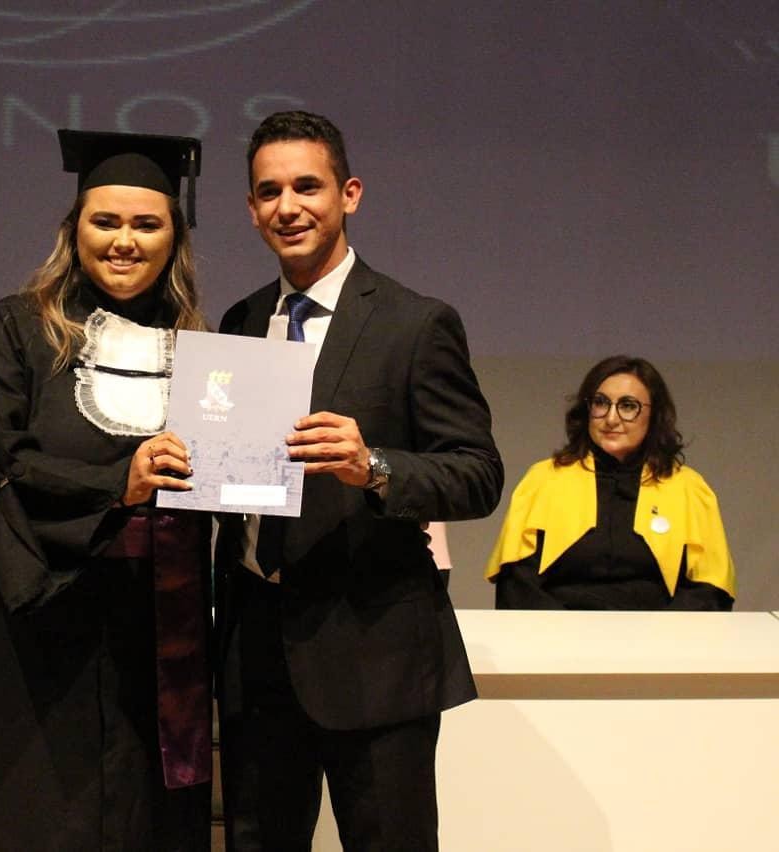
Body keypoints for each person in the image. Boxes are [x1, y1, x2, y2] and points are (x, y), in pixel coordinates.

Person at [213, 110, 503, 851]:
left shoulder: (415, 323)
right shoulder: (240, 322)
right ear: (251, 209)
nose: (288, 206)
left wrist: (373, 465)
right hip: (256, 647)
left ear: (350, 194)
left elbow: (477, 474)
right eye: (269, 192)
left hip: (375, 655)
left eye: (307, 186)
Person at [0, 129, 213, 851]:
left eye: (146, 224)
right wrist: (117, 484)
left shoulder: (200, 348)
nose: (124, 241)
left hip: (153, 622)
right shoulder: (17, 329)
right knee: (36, 811)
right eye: (106, 222)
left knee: (143, 813)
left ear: (173, 238)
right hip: (34, 611)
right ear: (74, 230)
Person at [486, 355, 736, 610]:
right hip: (557, 631)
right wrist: (563, 631)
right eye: (601, 403)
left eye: (628, 406)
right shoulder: (544, 479)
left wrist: (659, 633)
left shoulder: (688, 488)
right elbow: (516, 583)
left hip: (659, 632)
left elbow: (709, 589)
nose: (611, 418)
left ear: (654, 415)